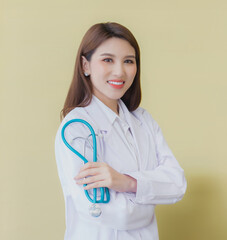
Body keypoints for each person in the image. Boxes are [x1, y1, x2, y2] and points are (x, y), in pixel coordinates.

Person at [54, 22, 187, 240]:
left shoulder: (143, 120)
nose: (120, 71)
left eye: (128, 61)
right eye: (108, 60)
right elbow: (108, 213)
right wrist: (150, 196)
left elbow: (177, 184)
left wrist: (126, 182)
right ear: (85, 66)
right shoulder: (76, 128)